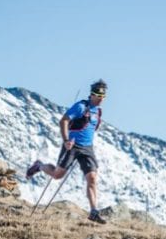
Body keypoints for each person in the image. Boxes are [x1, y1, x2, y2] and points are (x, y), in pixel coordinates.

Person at [27, 79, 108, 223]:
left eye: (104, 97)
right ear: (92, 94)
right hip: (71, 146)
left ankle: (93, 211)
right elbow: (63, 120)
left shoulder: (98, 111)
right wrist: (66, 140)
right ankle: (39, 166)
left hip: (87, 148)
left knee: (92, 178)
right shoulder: (81, 106)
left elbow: (92, 128)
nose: (101, 99)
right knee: (57, 175)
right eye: (99, 96)